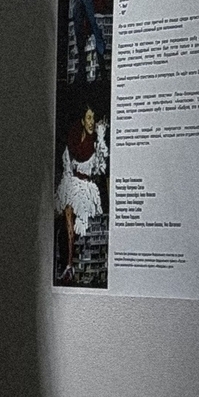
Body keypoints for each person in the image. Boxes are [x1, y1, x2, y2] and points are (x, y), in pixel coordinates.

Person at [55, 104, 109, 282]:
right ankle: (68, 264)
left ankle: (69, 264)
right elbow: (67, 170)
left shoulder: (96, 143)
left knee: (71, 206)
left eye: (93, 118)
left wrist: (101, 136)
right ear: (82, 121)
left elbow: (100, 169)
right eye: (88, 118)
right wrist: (67, 187)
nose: (92, 122)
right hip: (73, 183)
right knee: (66, 204)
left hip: (87, 188)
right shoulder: (73, 142)